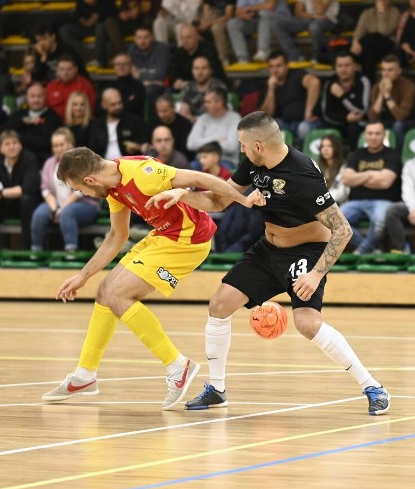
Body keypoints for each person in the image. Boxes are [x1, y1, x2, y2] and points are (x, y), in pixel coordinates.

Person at [146, 111, 391, 415]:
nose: (242, 151)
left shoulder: (303, 175)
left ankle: (372, 386)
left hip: (306, 251)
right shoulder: (255, 163)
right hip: (267, 250)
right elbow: (221, 200)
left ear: (259, 145)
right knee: (219, 305)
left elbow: (343, 229)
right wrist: (184, 195)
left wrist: (315, 275)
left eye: (244, 146)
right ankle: (217, 390)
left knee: (307, 323)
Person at [41, 146, 259, 410]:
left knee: (117, 295)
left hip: (188, 241)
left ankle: (178, 366)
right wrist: (83, 276)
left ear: (90, 180)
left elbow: (200, 180)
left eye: (79, 189)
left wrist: (241, 199)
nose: (82, 194)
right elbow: (116, 236)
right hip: (164, 236)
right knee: (104, 291)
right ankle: (85, 374)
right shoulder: (112, 188)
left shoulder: (143, 174)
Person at [31, 128, 100, 254]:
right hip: (57, 204)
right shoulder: (49, 163)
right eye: (55, 146)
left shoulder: (81, 162)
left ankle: (70, 250)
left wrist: (61, 209)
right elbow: (45, 190)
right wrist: (53, 209)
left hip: (86, 204)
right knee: (39, 214)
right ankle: (36, 251)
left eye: (61, 145)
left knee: (66, 213)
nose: (58, 148)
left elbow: (80, 191)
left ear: (70, 144)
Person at [340, 120, 401, 254]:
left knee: (380, 223)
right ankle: (370, 249)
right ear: (365, 136)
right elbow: (346, 179)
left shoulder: (392, 154)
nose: (373, 137)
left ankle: (361, 251)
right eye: (370, 133)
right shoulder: (357, 154)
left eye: (377, 133)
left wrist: (359, 177)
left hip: (383, 201)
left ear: (384, 135)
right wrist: (371, 174)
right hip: (355, 202)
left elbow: (386, 182)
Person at [258, 51, 321, 144]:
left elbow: (314, 83)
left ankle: (302, 157)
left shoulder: (296, 74)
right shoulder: (267, 85)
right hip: (284, 123)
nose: (275, 70)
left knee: (304, 128)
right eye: (272, 67)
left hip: (305, 121)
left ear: (287, 66)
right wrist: (271, 90)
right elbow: (266, 114)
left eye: (279, 66)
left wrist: (309, 112)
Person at [320, 51, 371, 147]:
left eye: (347, 65)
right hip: (337, 121)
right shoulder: (330, 83)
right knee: (325, 128)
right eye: (340, 66)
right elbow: (326, 113)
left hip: (358, 123)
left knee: (354, 129)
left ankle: (353, 156)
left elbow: (362, 110)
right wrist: (346, 119)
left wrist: (342, 96)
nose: (343, 69)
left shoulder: (363, 81)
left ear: (355, 66)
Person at [4, 82, 62, 164]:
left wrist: (18, 137)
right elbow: (3, 131)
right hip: (16, 158)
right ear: (27, 98)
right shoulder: (20, 115)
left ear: (45, 97)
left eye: (39, 96)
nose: (36, 100)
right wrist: (23, 121)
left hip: (41, 160)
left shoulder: (53, 118)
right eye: (32, 96)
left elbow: (45, 142)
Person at [368, 54, 415, 148]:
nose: (386, 74)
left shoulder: (408, 86)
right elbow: (372, 116)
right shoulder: (377, 87)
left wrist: (387, 95)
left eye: (390, 70)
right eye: (383, 70)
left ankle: (398, 155)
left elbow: (400, 116)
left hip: (408, 122)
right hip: (387, 121)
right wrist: (381, 94)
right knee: (372, 125)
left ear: (399, 71)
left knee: (398, 125)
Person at [186, 86, 241, 168]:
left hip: (225, 161)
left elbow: (231, 147)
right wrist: (216, 139)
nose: (205, 105)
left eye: (208, 102)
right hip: (202, 161)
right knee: (190, 168)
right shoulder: (202, 119)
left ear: (220, 103)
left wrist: (203, 143)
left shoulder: (234, 118)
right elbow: (191, 144)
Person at [88, 87, 148, 160]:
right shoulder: (97, 124)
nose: (118, 107)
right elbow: (92, 150)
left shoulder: (134, 121)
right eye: (113, 104)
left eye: (119, 103)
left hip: (128, 165)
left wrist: (137, 147)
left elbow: (145, 146)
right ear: (104, 105)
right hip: (103, 165)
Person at [60, 0, 122, 68]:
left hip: (101, 27)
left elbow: (113, 17)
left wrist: (97, 18)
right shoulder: (81, 2)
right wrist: (81, 20)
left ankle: (98, 59)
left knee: (101, 27)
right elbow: (77, 15)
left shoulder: (107, 2)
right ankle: (84, 55)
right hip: (83, 27)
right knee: (65, 30)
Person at [273, 0, 339, 64]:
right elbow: (298, 12)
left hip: (327, 19)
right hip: (308, 18)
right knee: (278, 25)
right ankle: (294, 56)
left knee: (314, 27)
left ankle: (320, 56)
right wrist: (313, 16)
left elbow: (320, 11)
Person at [350, 0, 400, 81]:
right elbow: (358, 33)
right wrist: (355, 43)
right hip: (372, 49)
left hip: (388, 48)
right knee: (368, 53)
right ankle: (368, 84)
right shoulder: (367, 13)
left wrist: (381, 13)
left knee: (373, 37)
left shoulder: (394, 12)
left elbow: (384, 32)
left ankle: (353, 58)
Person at [227, 0, 283, 64]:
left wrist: (249, 8)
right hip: (256, 20)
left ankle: (263, 50)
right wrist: (244, 15)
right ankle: (242, 58)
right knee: (233, 23)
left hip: (278, 19)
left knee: (265, 13)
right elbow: (238, 12)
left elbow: (270, 6)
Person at [46, 55, 97, 122]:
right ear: (57, 71)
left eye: (69, 69)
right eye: (62, 69)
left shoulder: (85, 85)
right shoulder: (51, 86)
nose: (65, 72)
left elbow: (90, 109)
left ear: (76, 70)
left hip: (77, 123)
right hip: (54, 123)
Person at [315, 134, 349, 204]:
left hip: (338, 206)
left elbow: (341, 195)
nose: (325, 149)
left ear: (336, 148)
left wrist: (322, 199)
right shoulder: (316, 167)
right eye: (323, 146)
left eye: (329, 146)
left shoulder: (344, 167)